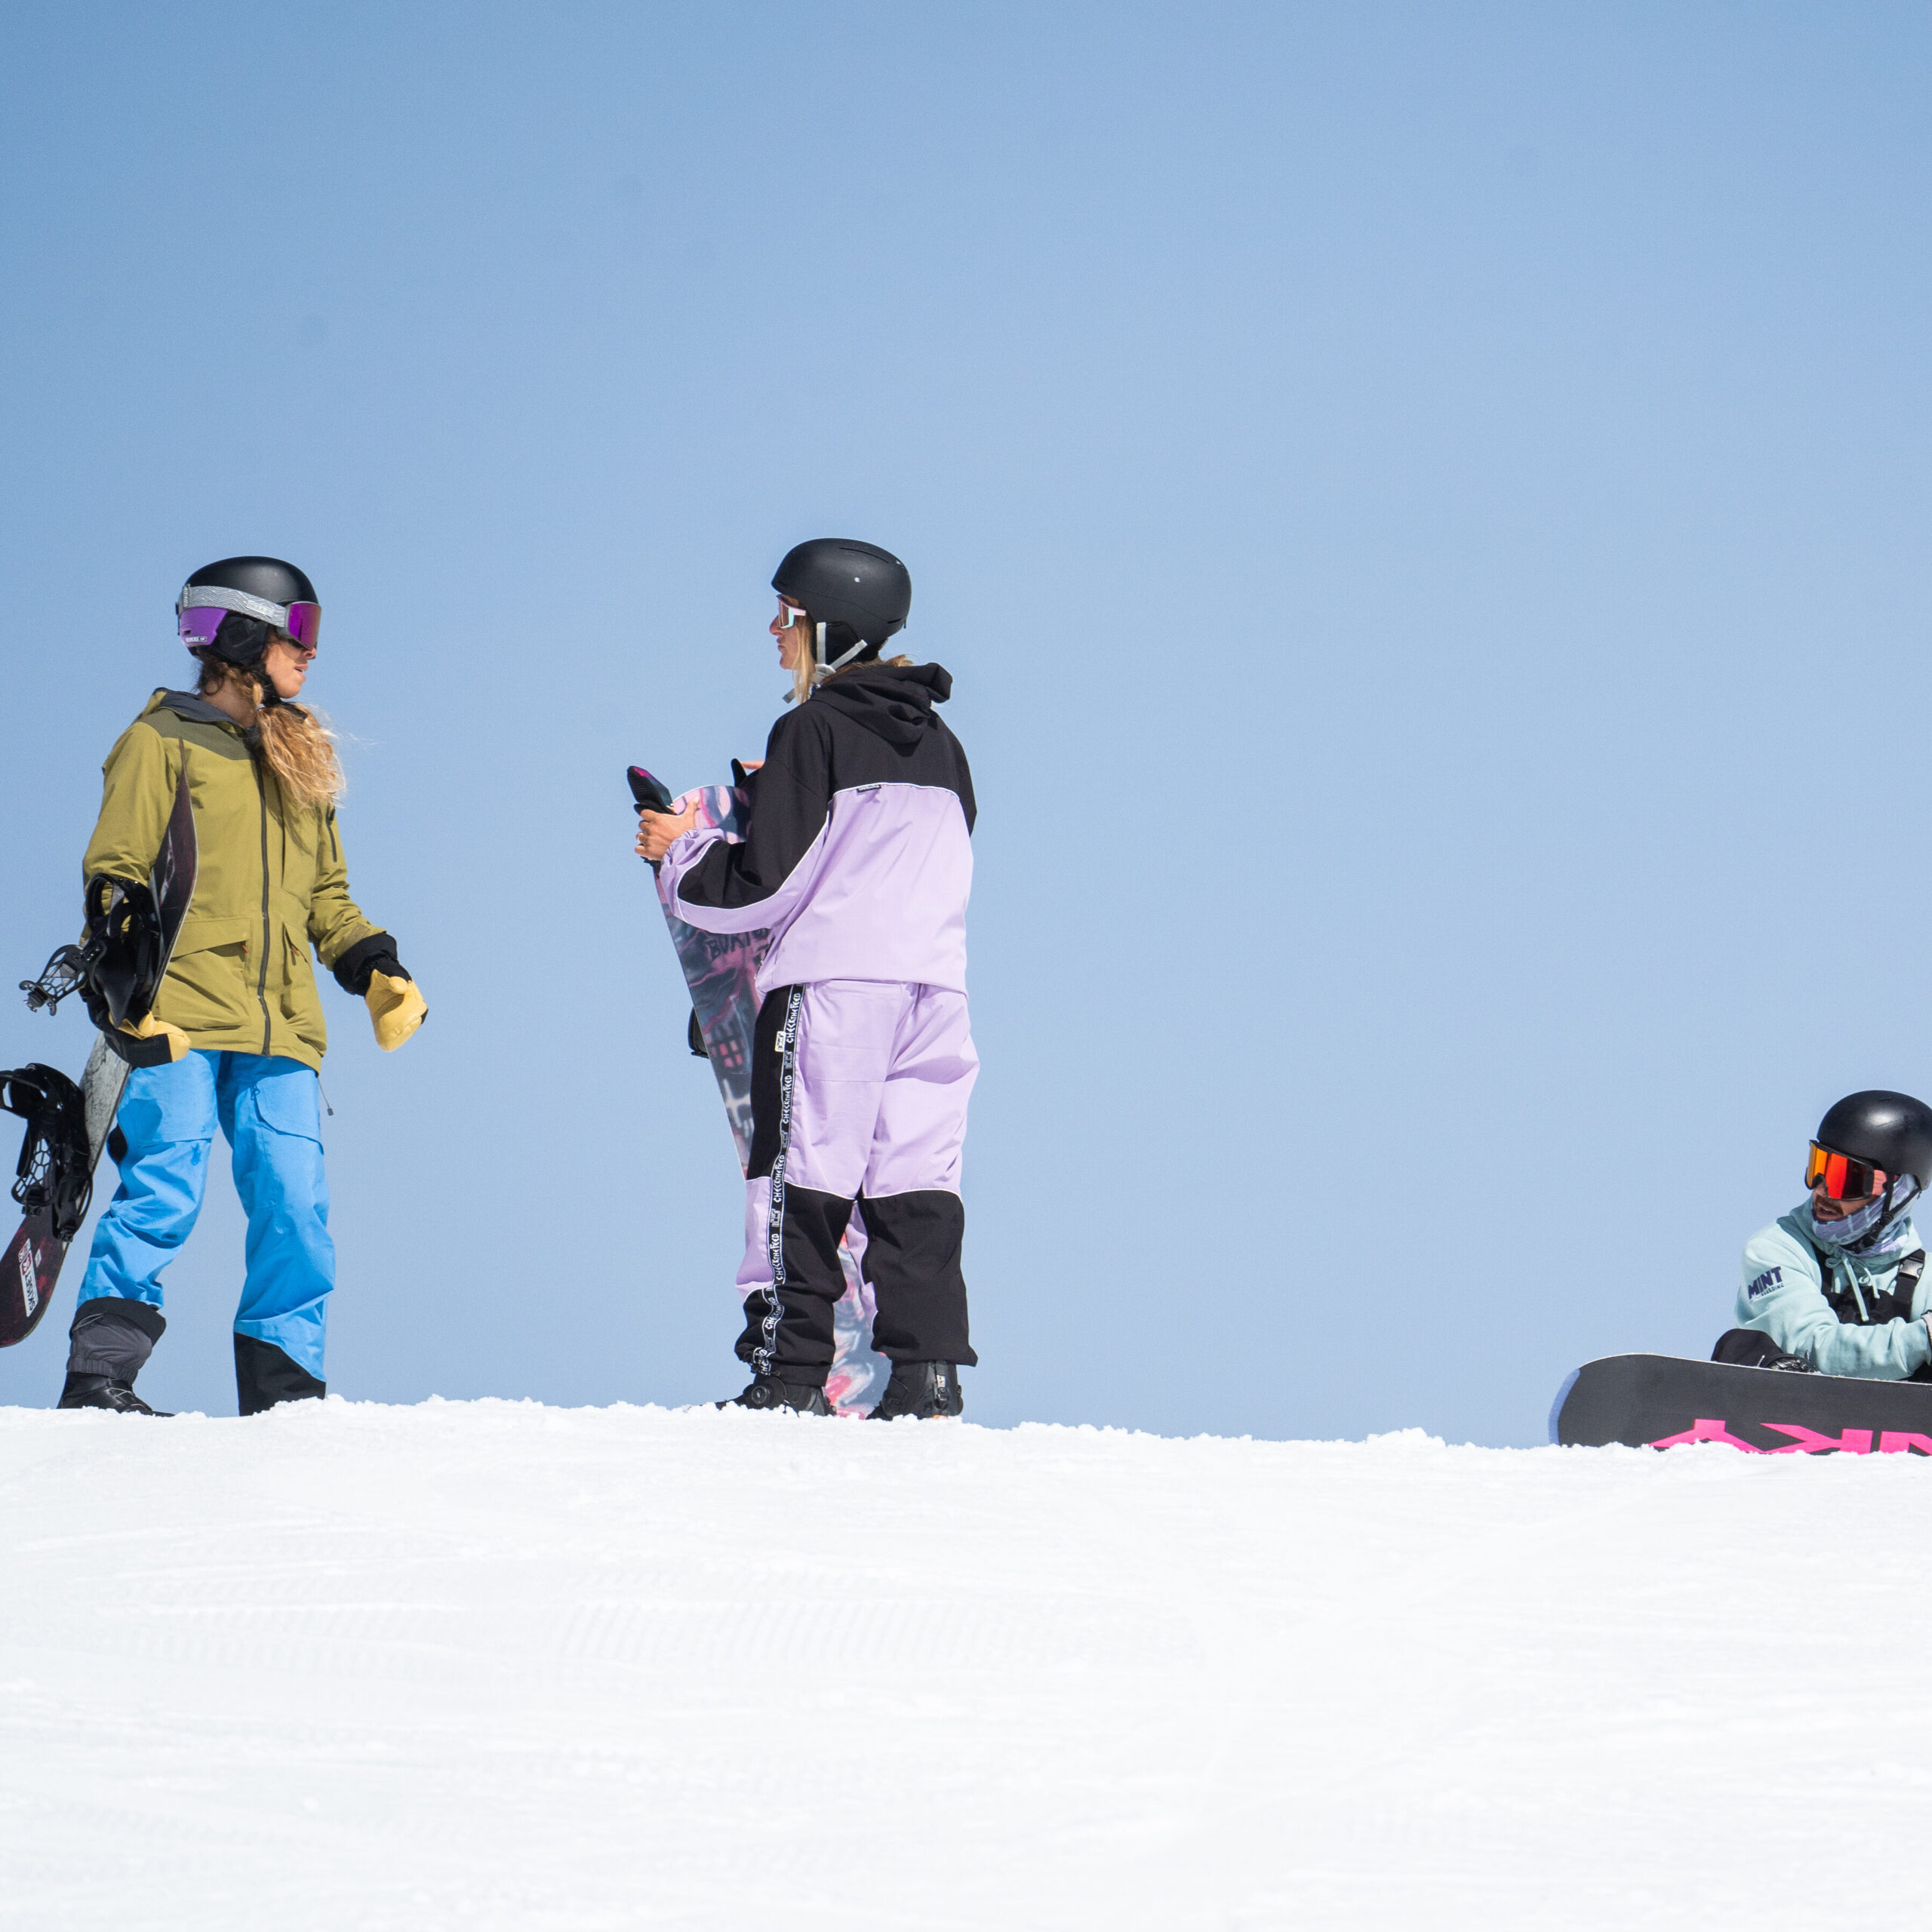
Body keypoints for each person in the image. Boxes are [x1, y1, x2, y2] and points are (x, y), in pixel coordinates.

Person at [57, 556, 426, 1417]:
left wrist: (374, 967)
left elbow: (326, 896)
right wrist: (124, 999)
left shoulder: (297, 757)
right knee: (164, 1187)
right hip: (176, 1015)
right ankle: (101, 1377)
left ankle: (285, 1393)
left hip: (280, 1028)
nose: (310, 653)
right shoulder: (161, 742)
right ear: (239, 637)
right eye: (298, 631)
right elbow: (114, 877)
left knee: (297, 1205)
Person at [635, 538, 978, 1419]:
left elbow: (761, 888)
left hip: (834, 989)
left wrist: (686, 853)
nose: (775, 630)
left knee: (799, 1176)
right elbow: (880, 854)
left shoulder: (810, 729)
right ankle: (925, 1377)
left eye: (788, 616)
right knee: (917, 1186)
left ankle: (790, 1378)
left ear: (829, 630)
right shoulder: (944, 746)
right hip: (935, 995)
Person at [1714, 1090, 1932, 1378]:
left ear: (1899, 1192)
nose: (1822, 1190)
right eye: (1820, 1168)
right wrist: (1924, 1337)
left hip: (1894, 1418)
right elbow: (1812, 1348)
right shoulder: (1777, 1247)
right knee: (1741, 1347)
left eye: (1846, 1178)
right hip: (1798, 1413)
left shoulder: (1925, 1278)